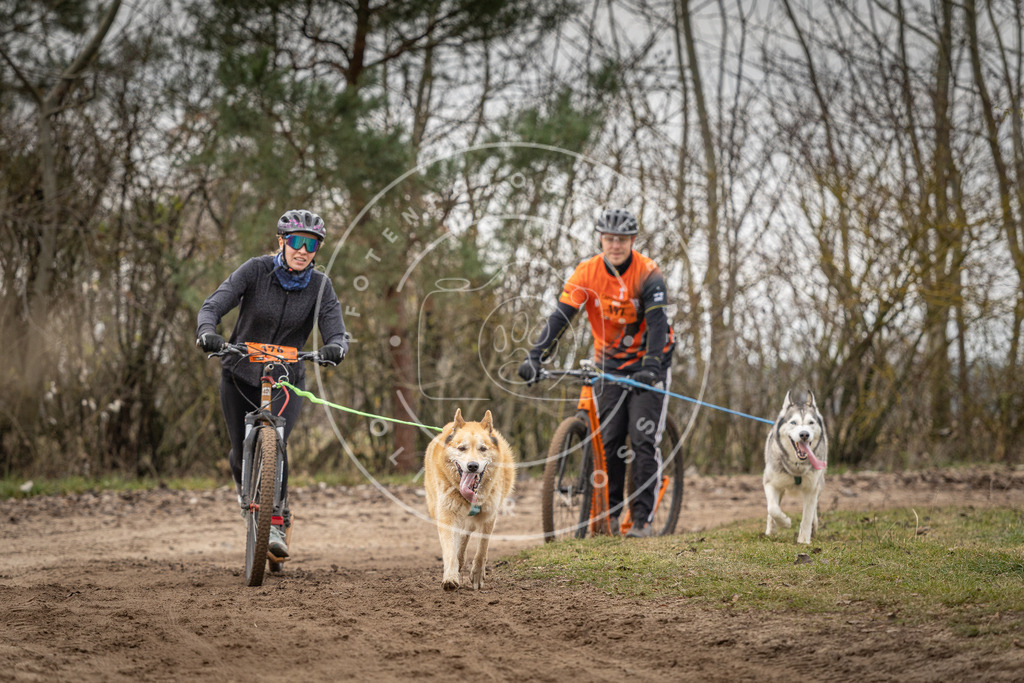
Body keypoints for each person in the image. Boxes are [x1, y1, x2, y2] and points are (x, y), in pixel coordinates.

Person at [196, 209, 348, 558]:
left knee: (275, 443)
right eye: (296, 241)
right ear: (282, 241)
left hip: (285, 380)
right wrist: (207, 332)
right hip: (239, 374)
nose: (303, 250)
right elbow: (214, 305)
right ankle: (246, 492)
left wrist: (337, 346)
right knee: (239, 455)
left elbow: (335, 327)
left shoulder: (321, 286)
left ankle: (277, 521)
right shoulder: (255, 270)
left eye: (311, 245)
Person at [518, 208, 674, 538]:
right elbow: (561, 318)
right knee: (610, 438)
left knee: (642, 436)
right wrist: (535, 356)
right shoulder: (586, 273)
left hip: (650, 361)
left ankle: (643, 519)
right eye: (609, 238)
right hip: (609, 362)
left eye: (622, 240)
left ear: (633, 241)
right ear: (601, 239)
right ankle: (611, 514)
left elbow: (658, 324)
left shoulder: (648, 273)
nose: (615, 245)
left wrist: (651, 366)